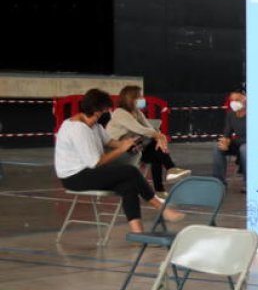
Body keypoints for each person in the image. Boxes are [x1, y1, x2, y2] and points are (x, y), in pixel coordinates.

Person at [55, 88, 184, 235]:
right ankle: (162, 208)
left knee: (128, 185)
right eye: (105, 110)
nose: (107, 113)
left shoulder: (94, 126)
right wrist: (122, 149)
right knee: (130, 171)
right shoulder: (78, 129)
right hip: (74, 177)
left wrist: (129, 143)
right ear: (98, 111)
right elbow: (95, 162)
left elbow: (110, 141)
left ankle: (138, 233)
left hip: (88, 172)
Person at [106, 85, 190, 194]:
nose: (143, 99)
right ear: (130, 99)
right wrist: (159, 136)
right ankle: (169, 172)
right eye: (139, 97)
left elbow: (150, 128)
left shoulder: (137, 112)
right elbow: (140, 129)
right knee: (155, 147)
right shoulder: (120, 113)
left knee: (156, 152)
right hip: (117, 151)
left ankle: (162, 185)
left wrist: (160, 137)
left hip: (132, 147)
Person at [212, 91, 247, 184]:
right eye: (232, 100)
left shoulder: (252, 115)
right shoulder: (230, 115)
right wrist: (225, 142)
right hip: (237, 143)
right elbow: (227, 133)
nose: (234, 103)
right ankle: (218, 182)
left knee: (244, 149)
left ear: (244, 100)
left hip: (248, 143)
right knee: (217, 148)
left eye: (237, 100)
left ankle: (248, 183)